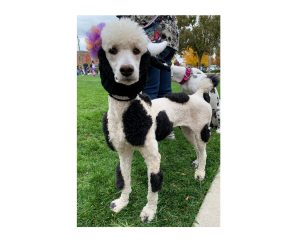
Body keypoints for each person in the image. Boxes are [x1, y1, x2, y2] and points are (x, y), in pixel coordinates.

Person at [118, 16, 179, 139]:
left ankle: (159, 127)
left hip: (163, 39)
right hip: (158, 38)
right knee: (157, 88)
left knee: (160, 89)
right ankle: (157, 127)